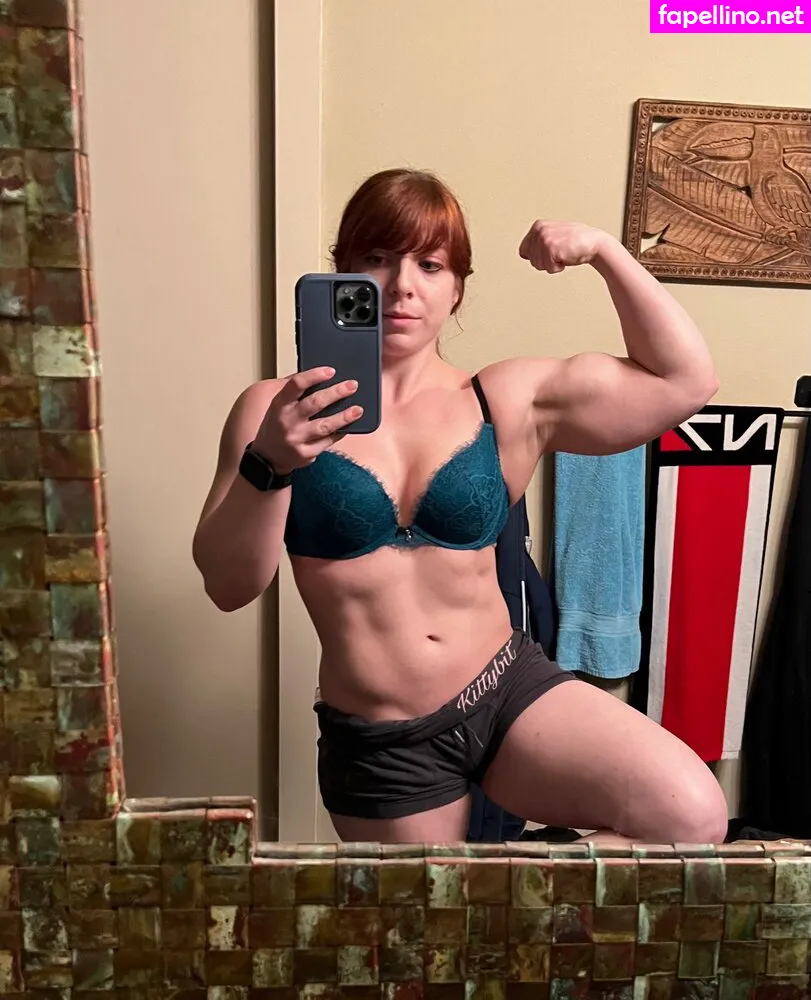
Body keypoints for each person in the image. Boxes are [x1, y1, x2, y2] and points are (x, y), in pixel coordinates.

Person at [192, 168, 728, 846]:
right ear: (343, 272)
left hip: (506, 692)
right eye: (377, 259)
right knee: (433, 914)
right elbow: (229, 586)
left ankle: (506, 895)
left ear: (456, 288)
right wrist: (269, 464)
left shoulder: (503, 399)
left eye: (430, 264)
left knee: (691, 818)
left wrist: (604, 251)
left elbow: (686, 381)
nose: (402, 285)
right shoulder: (272, 410)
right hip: (384, 738)